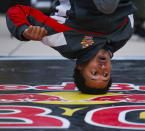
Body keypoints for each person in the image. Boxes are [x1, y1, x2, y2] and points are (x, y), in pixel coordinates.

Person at [6, 0, 136, 94]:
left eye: (94, 73)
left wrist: (23, 31)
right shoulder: (125, 33)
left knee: (107, 7)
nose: (102, 68)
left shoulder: (63, 40)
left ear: (80, 66)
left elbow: (17, 11)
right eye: (106, 74)